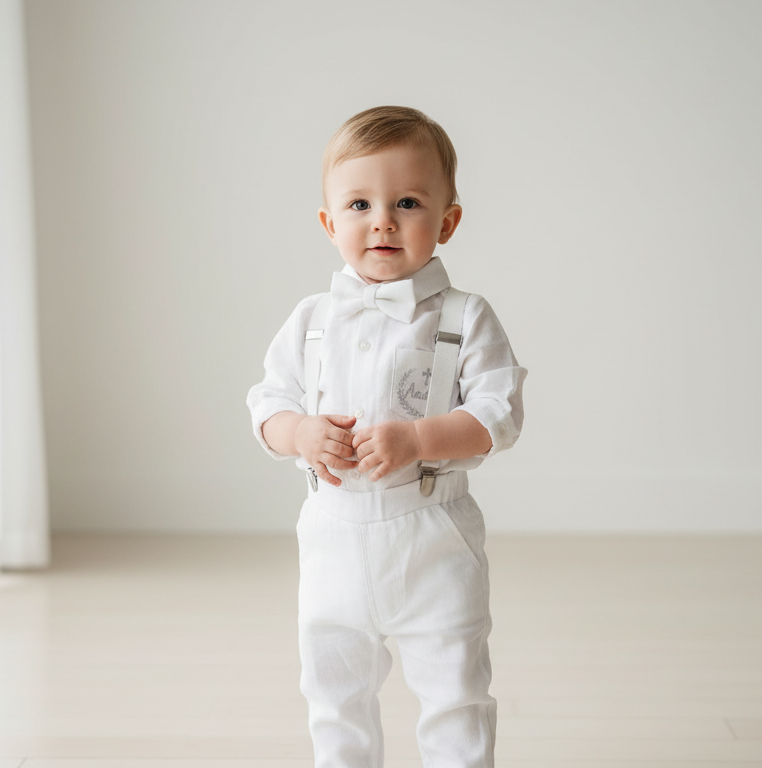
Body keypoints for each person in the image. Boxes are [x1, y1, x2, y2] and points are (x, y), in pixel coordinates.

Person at [247, 105, 527, 768]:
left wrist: (421, 439)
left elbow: (500, 412)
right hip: (332, 539)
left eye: (407, 202)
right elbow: (268, 403)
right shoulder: (311, 319)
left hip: (432, 537)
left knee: (455, 694)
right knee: (333, 695)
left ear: (447, 222)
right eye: (359, 204)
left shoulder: (465, 316)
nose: (382, 221)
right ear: (330, 223)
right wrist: (300, 432)